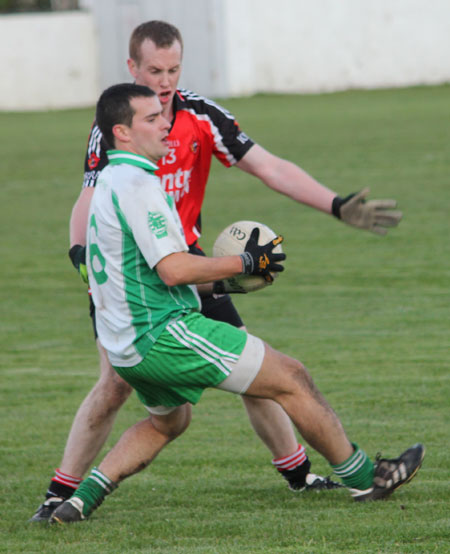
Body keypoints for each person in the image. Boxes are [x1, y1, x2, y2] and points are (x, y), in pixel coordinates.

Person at [31, 21, 403, 521]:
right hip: (152, 279)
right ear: (132, 71)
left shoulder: (199, 117)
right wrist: (82, 259)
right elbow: (91, 199)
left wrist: (335, 205)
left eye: (173, 70)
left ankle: (296, 472)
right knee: (120, 385)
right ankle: (61, 490)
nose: (164, 84)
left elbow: (269, 167)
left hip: (189, 271)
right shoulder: (121, 131)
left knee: (245, 378)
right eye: (154, 71)